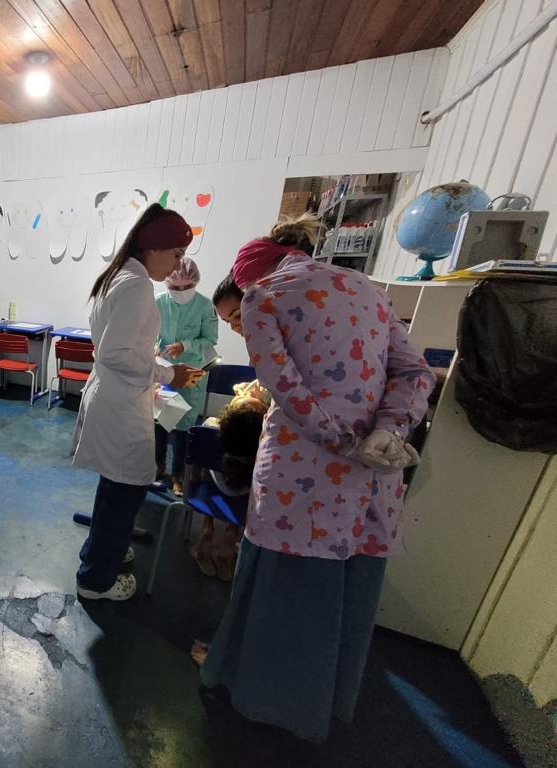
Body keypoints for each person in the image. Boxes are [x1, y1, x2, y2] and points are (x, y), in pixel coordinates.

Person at [198, 213, 434, 741]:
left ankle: (264, 700)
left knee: (284, 591)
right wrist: (387, 432)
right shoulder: (368, 289)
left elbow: (286, 390)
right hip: (372, 479)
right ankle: (326, 701)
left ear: (249, 278)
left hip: (303, 473)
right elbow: (416, 372)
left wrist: (341, 441)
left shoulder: (264, 297)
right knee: (344, 593)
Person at [72, 204, 204, 601]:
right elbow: (116, 353)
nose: (178, 265)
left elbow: (121, 348)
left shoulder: (119, 276)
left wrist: (159, 366)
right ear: (155, 247)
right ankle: (96, 580)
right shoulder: (137, 285)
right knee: (125, 490)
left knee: (115, 488)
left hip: (114, 395)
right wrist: (168, 374)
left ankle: (99, 551)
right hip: (120, 404)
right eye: (176, 254)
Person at [191, 380, 269, 581]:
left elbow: (194, 473)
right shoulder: (265, 445)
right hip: (244, 501)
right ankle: (231, 535)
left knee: (208, 476)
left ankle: (207, 527)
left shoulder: (209, 428)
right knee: (248, 484)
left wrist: (193, 481)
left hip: (210, 495)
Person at [154, 257, 218, 496]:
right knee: (160, 421)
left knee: (183, 425)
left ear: (195, 283)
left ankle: (178, 474)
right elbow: (150, 332)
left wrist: (185, 345)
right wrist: (154, 347)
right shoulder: (159, 302)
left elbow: (210, 339)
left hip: (192, 372)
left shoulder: (205, 306)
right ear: (166, 282)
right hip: (163, 370)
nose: (181, 292)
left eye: (187, 286)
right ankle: (158, 465)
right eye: (175, 287)